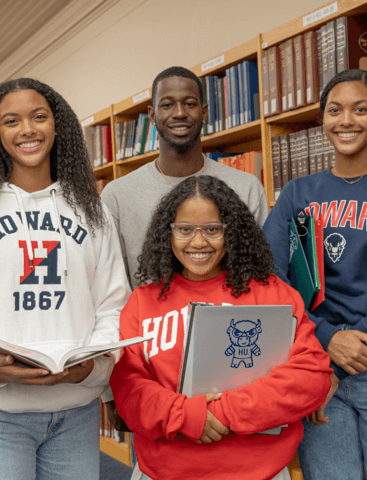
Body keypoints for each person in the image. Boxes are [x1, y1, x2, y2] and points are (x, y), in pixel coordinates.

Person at [0, 78, 130, 479]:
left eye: (39, 117)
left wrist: (94, 368)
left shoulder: (92, 212)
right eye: (11, 121)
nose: (28, 130)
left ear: (58, 124)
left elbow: (113, 306)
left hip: (76, 415)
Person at [263, 69, 367, 480]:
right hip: (315, 362)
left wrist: (343, 359)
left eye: (361, 109)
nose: (346, 121)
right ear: (323, 120)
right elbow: (272, 279)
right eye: (335, 110)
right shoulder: (297, 194)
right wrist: (327, 342)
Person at [110, 175, 332, 480]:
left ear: (233, 233)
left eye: (213, 230)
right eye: (185, 230)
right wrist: (185, 417)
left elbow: (310, 377)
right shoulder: (142, 302)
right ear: (168, 233)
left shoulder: (271, 294)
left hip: (259, 472)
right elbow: (128, 390)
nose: (198, 242)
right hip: (164, 472)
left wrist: (219, 414)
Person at [101, 66, 269, 289]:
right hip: (149, 321)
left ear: (204, 112)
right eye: (167, 105)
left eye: (189, 104)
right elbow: (112, 284)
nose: (179, 113)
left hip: (230, 320)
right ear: (152, 115)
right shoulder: (116, 196)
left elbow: (261, 271)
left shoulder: (246, 187)